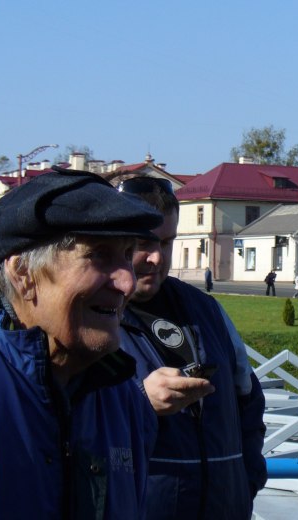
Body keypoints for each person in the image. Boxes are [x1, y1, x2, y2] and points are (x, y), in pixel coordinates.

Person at [0, 167, 163, 518]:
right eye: (98, 255)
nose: (127, 283)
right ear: (23, 274)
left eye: (126, 255)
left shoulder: (122, 398)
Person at [116, 176, 267, 520]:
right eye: (144, 243)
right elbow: (72, 424)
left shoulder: (206, 310)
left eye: (167, 242)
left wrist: (246, 480)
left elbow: (248, 400)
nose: (157, 257)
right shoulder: (93, 315)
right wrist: (140, 402)